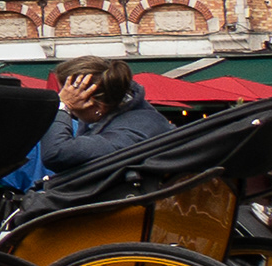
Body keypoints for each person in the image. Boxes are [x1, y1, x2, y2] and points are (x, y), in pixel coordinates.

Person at [33, 55, 173, 176]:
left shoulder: (134, 129)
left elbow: (56, 154)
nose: (61, 98)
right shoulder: (126, 117)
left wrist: (63, 106)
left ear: (98, 106)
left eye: (66, 96)